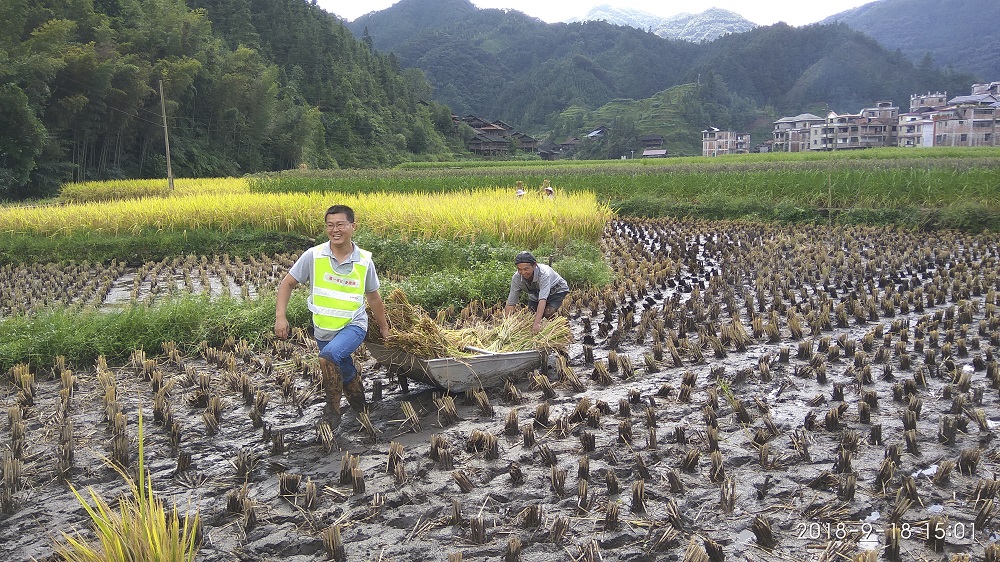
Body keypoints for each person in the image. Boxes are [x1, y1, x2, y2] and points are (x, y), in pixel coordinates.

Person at [275, 204, 391, 424]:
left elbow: (374, 297)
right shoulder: (314, 255)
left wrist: (384, 328)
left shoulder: (364, 261)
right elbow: (286, 284)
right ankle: (361, 408)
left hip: (353, 325)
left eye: (340, 225)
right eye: (330, 225)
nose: (335, 230)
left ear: (352, 226)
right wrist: (281, 317)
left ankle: (332, 413)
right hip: (324, 328)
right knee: (343, 368)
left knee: (328, 358)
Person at [504, 251, 570, 334]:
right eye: (520, 269)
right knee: (532, 315)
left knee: (548, 313)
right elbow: (511, 303)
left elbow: (542, 300)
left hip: (556, 290)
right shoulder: (516, 278)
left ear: (534, 265)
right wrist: (506, 325)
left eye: (526, 269)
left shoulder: (543, 274)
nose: (523, 272)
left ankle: (560, 328)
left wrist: (537, 323)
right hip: (536, 293)